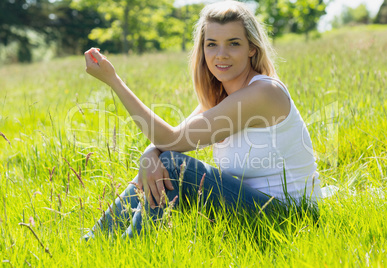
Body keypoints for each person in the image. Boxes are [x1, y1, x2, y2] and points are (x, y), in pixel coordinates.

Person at [83, 0, 322, 239]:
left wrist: (114, 81)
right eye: (212, 44)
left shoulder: (262, 93)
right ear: (203, 49)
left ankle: (125, 252)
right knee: (161, 164)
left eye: (233, 43)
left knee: (172, 166)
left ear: (252, 48)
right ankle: (95, 246)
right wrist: (150, 154)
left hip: (293, 219)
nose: (221, 54)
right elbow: (171, 140)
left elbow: (171, 140)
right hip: (258, 210)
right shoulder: (222, 96)